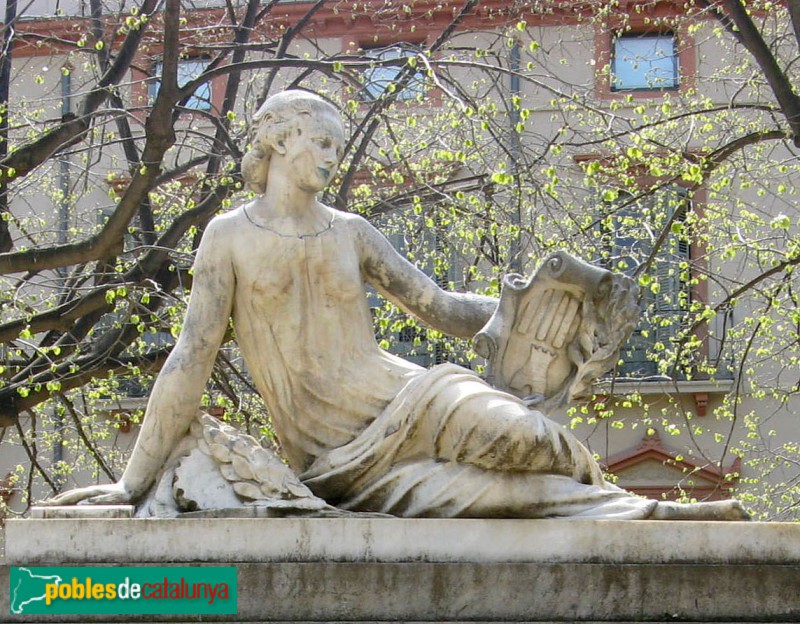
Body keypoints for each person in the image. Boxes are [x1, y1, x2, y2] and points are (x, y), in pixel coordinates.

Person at [48, 90, 746, 520]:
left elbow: (439, 305)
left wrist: (530, 310)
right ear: (279, 140)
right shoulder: (228, 238)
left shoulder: (351, 231)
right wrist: (131, 481)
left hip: (410, 396)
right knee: (496, 499)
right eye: (321, 142)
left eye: (335, 146)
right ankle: (646, 514)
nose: (330, 156)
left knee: (539, 444)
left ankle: (645, 514)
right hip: (334, 455)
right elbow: (191, 355)